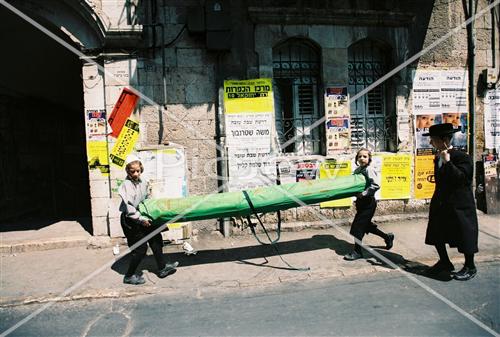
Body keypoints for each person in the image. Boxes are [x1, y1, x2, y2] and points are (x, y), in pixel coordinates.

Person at [423, 123, 479, 281]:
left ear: (444, 139)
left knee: (464, 234)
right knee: (436, 233)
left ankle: (470, 266)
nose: (430, 143)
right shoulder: (438, 156)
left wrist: (448, 162)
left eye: (433, 139)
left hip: (459, 204)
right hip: (442, 203)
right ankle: (445, 262)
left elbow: (463, 179)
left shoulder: (462, 157)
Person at [119, 154, 179, 285]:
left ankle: (162, 268)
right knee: (140, 249)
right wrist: (141, 219)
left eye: (138, 171)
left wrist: (154, 213)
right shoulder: (126, 185)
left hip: (143, 215)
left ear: (141, 170)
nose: (135, 174)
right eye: (132, 171)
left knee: (155, 238)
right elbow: (130, 208)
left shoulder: (143, 182)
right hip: (131, 220)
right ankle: (128, 276)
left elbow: (147, 198)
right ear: (127, 171)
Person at [344, 148, 395, 260]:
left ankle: (357, 252)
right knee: (366, 226)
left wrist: (364, 193)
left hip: (368, 203)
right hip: (361, 203)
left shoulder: (369, 170)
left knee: (357, 227)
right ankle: (387, 237)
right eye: (360, 156)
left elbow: (376, 185)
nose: (362, 158)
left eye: (365, 156)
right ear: (357, 158)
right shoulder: (358, 170)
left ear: (369, 158)